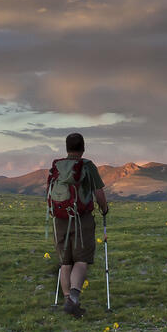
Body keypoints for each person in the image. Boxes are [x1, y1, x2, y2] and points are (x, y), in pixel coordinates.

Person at [51, 132, 108, 318]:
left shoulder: (57, 166)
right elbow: (98, 192)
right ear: (83, 148)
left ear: (67, 148)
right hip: (81, 218)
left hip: (59, 218)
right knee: (81, 260)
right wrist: (104, 208)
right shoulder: (87, 166)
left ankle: (67, 298)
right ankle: (73, 299)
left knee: (65, 262)